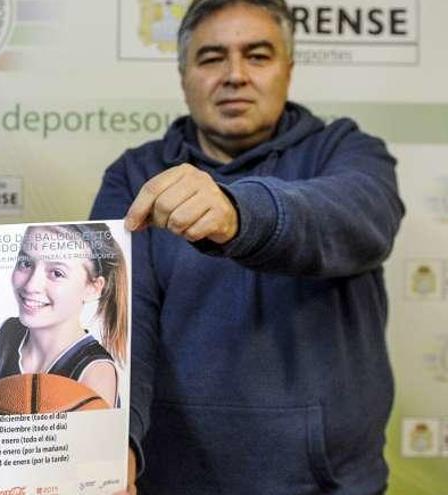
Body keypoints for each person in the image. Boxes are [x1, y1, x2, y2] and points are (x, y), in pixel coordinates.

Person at [91, 0, 404, 493]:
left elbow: (361, 218)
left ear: (289, 69)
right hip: (170, 482)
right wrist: (117, 445)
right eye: (212, 58)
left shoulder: (347, 151)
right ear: (183, 75)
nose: (234, 75)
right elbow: (120, 324)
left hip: (330, 484)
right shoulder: (136, 175)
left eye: (257, 56)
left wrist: (238, 214)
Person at [0, 223, 128, 407]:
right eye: (26, 263)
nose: (31, 286)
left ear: (93, 288)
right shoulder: (7, 332)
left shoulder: (95, 371)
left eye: (57, 273)